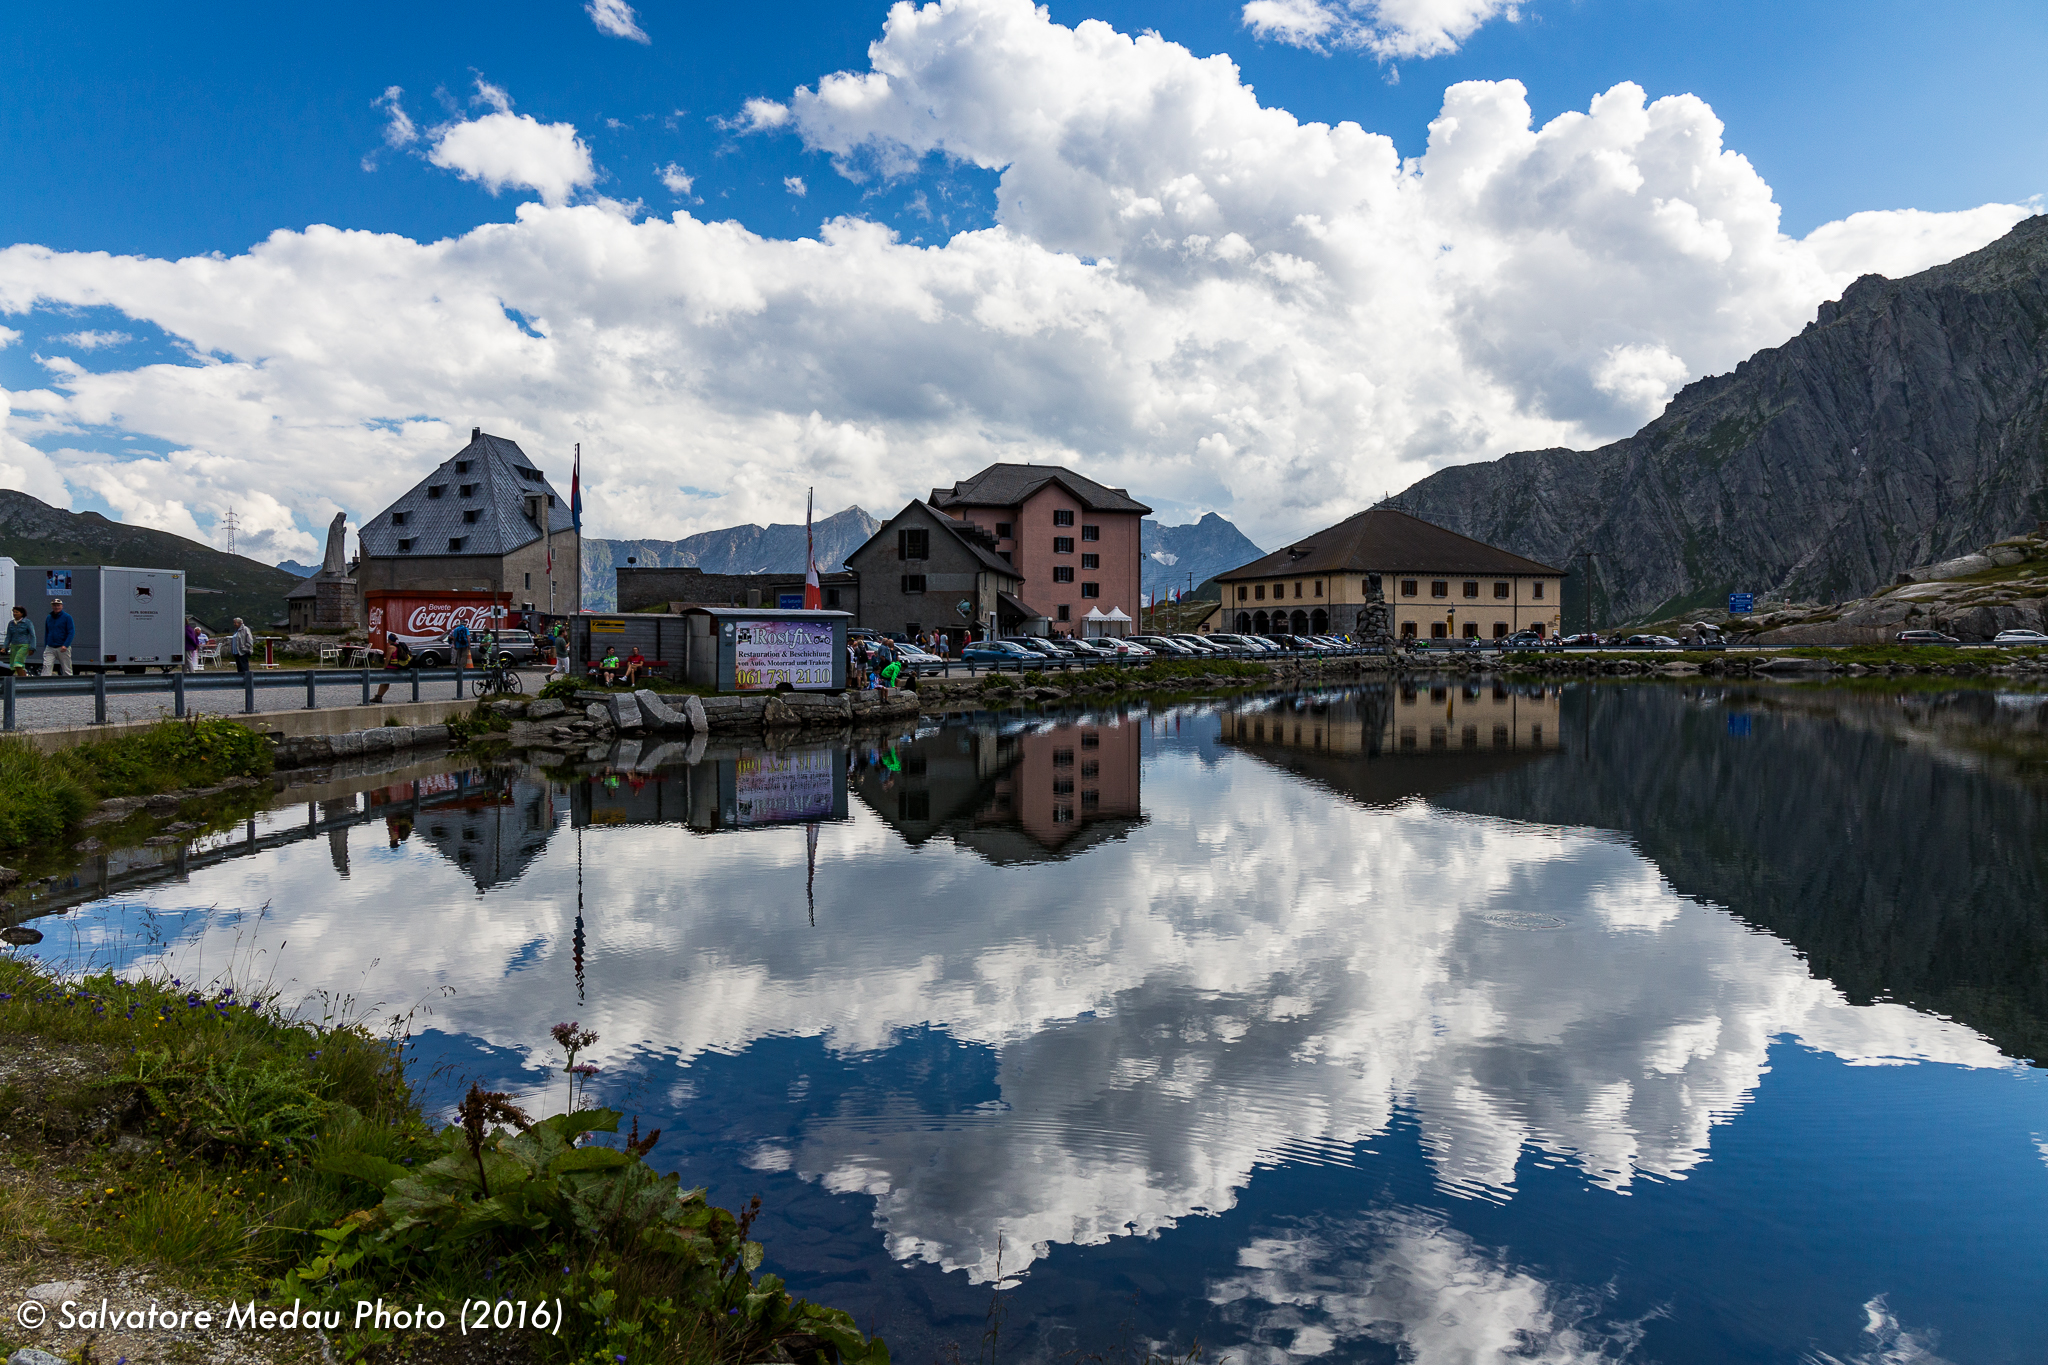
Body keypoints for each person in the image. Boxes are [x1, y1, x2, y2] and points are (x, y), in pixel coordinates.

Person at [43, 599, 75, 676]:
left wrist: (66, 645)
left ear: (62, 606)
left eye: (58, 605)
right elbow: (47, 632)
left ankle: (69, 685)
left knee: (66, 668)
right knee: (46, 666)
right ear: (52, 606)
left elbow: (71, 632)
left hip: (62, 647)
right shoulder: (49, 617)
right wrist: (46, 644)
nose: (56, 607)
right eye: (54, 605)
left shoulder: (67, 617)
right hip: (50, 646)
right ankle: (44, 684)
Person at [6, 606, 33, 677]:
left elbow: (32, 636)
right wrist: (4, 647)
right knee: (15, 666)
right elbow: (8, 636)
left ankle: (22, 681)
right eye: (14, 612)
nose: (15, 614)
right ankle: (25, 680)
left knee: (17, 663)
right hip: (14, 646)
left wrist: (32, 648)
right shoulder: (11, 623)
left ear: (22, 613)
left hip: (24, 645)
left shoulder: (27, 622)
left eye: (17, 612)